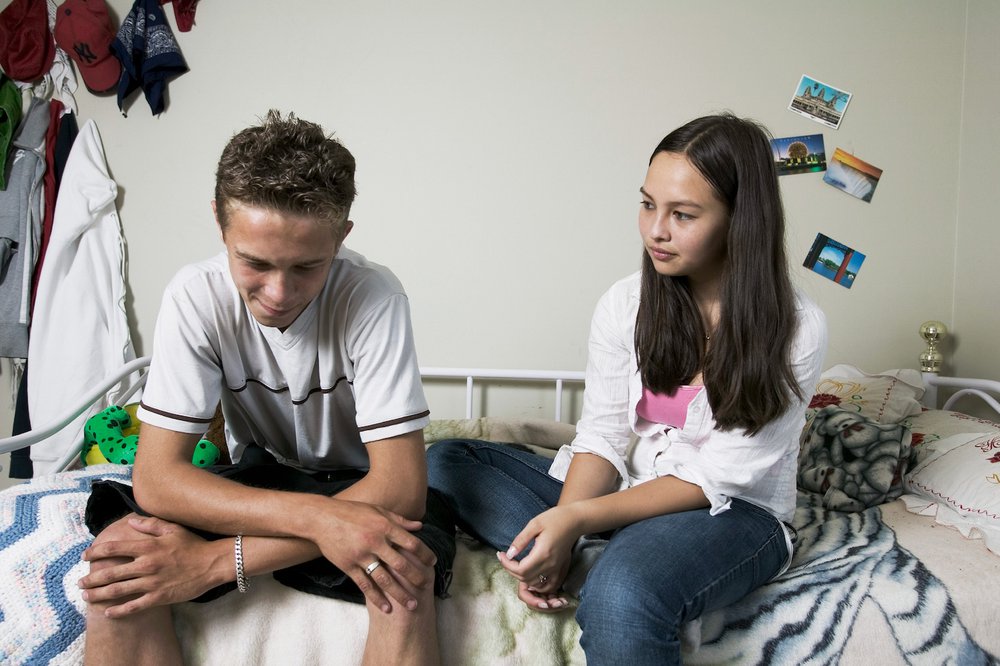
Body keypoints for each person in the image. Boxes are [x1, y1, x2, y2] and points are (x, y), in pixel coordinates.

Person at [426, 113, 827, 664]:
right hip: (622, 490)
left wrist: (577, 521)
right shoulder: (627, 302)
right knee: (448, 459)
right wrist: (566, 529)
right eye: (647, 204)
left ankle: (614, 557)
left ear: (741, 221)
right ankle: (594, 545)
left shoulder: (796, 327)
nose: (655, 230)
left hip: (728, 512)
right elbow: (604, 435)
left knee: (624, 591)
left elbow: (718, 476)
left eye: (683, 215)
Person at [78, 111, 454, 666]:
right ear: (219, 224)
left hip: (360, 489)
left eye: (307, 266)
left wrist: (215, 562)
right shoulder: (194, 295)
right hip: (265, 481)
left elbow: (398, 489)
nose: (278, 292)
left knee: (402, 577)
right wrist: (321, 522)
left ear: (342, 236)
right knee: (119, 562)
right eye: (253, 262)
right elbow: (157, 479)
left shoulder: (374, 297)